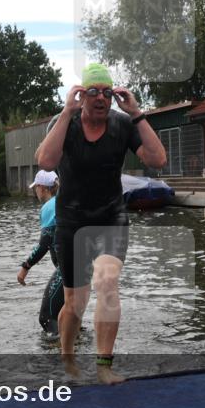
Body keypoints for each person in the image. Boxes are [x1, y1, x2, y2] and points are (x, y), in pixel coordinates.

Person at [35, 63, 167, 384]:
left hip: (110, 216)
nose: (100, 98)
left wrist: (136, 112)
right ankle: (67, 360)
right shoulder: (64, 122)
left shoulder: (123, 124)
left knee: (107, 283)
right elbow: (46, 162)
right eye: (93, 92)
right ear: (82, 95)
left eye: (107, 93)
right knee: (74, 302)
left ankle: (104, 366)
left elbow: (157, 159)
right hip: (73, 220)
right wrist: (67, 112)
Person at [17, 170, 63, 336]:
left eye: (35, 187)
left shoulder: (49, 207)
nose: (35, 191)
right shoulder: (64, 202)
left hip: (67, 268)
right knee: (68, 316)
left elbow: (44, 244)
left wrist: (25, 266)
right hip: (83, 268)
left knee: (46, 318)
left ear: (42, 188)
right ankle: (76, 349)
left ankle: (55, 358)